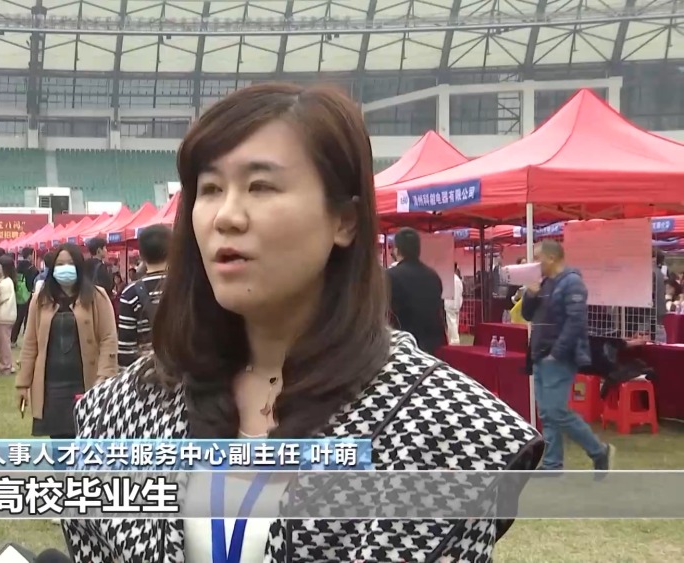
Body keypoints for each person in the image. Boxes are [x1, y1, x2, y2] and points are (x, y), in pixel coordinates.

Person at [62, 83, 543, 562]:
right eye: (209, 189)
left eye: (260, 186)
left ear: (345, 220)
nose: (226, 216)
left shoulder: (440, 429)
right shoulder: (121, 412)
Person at [521, 239, 613, 472]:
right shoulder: (543, 282)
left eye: (537, 258)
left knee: (556, 411)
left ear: (551, 258)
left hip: (558, 357)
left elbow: (576, 322)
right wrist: (530, 293)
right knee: (547, 413)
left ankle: (598, 450)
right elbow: (527, 315)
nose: (534, 263)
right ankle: (552, 463)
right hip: (539, 354)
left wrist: (557, 353)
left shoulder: (572, 283)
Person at [17, 243, 118, 440]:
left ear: (79, 266)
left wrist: (104, 377)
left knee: (88, 442)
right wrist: (22, 384)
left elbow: (108, 339)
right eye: (60, 264)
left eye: (70, 263)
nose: (65, 268)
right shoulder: (40, 299)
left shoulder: (97, 296)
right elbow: (30, 344)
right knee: (60, 447)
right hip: (52, 387)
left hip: (86, 383)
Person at [387, 228, 448, 354]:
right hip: (435, 346)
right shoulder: (433, 276)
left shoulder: (390, 276)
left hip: (405, 346)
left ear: (397, 250)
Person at [117, 224, 171, 368]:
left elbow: (126, 351)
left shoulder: (130, 293)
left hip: (148, 373)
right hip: (187, 373)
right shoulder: (188, 287)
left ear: (141, 255)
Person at [0, 255, 19, 376]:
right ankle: (6, 364)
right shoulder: (6, 281)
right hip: (6, 316)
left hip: (3, 317)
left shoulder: (6, 283)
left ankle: (5, 366)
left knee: (3, 343)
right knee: (3, 342)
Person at [13, 247, 39, 343]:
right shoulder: (32, 269)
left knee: (18, 317)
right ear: (29, 255)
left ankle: (13, 339)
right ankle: (27, 337)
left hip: (18, 293)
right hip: (28, 294)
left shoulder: (17, 267)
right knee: (28, 317)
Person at [444, 263, 464, 345]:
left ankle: (454, 340)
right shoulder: (458, 280)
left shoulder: (450, 279)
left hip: (450, 303)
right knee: (455, 322)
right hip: (456, 303)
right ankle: (454, 339)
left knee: (451, 323)